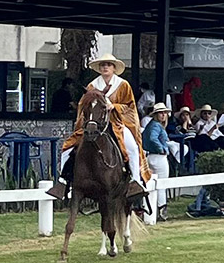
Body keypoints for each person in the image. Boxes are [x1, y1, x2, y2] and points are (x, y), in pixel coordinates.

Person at [48, 54, 147, 205]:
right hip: (94, 125)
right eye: (102, 65)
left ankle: (135, 180)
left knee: (132, 147)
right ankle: (63, 180)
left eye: (108, 64)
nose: (105, 67)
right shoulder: (92, 86)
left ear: (114, 68)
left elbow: (130, 107)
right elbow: (83, 106)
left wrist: (115, 106)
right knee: (67, 147)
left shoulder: (122, 85)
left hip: (116, 123)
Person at [141, 100, 173, 219]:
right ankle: (162, 209)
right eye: (161, 113)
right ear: (156, 114)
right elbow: (153, 138)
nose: (163, 115)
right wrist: (162, 149)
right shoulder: (156, 126)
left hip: (150, 156)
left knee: (150, 184)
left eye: (164, 113)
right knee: (162, 184)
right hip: (158, 157)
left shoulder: (150, 125)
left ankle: (152, 209)